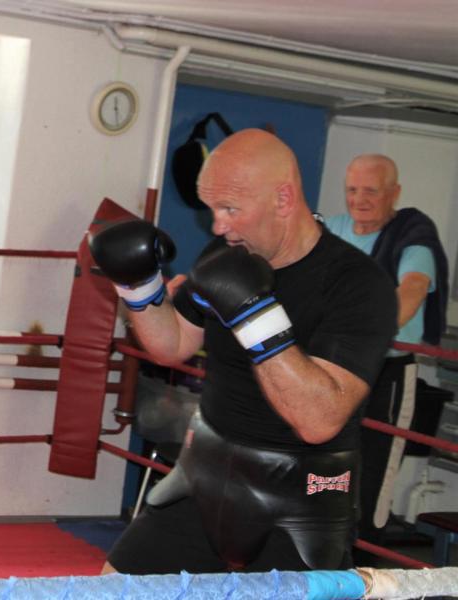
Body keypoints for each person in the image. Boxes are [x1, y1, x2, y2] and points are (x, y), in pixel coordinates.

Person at [90, 129, 397, 574]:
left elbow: (319, 420)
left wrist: (255, 320)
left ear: (284, 199)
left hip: (299, 503)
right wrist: (138, 287)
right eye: (212, 209)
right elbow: (172, 343)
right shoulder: (229, 251)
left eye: (230, 209)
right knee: (113, 588)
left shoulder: (358, 285)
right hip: (206, 477)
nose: (217, 226)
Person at [325, 154, 449, 553]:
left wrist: (365, 333)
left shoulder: (413, 236)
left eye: (371, 191)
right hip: (334, 365)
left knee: (373, 471)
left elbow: (412, 289)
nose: (359, 199)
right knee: (325, 457)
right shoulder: (333, 230)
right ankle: (320, 547)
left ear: (394, 194)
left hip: (387, 372)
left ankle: (363, 561)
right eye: (352, 190)